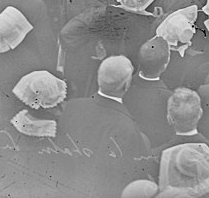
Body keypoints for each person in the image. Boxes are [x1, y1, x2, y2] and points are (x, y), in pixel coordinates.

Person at [56, 55, 152, 196]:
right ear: (126, 85)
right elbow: (135, 177)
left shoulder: (72, 107)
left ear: (98, 78)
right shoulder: (128, 128)